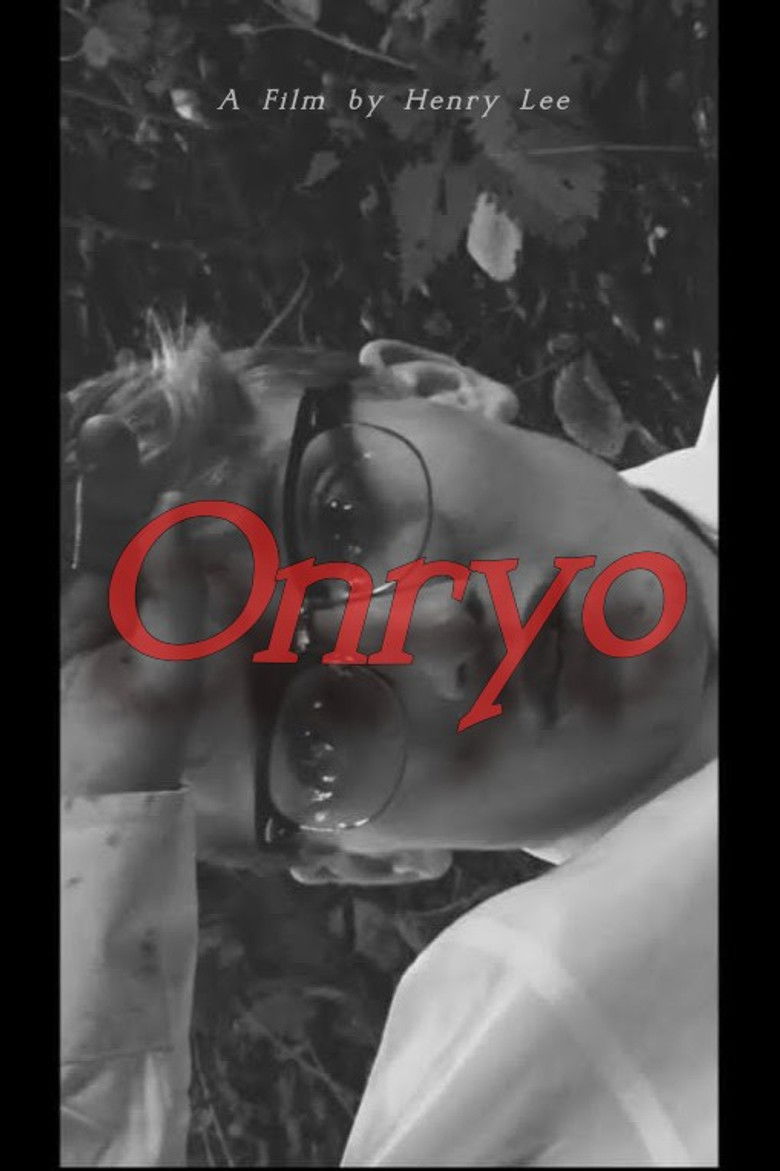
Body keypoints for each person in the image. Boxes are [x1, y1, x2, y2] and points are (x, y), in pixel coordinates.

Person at [61, 330, 717, 1165]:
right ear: (367, 860)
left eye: (344, 516)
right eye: (322, 724)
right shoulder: (531, 1070)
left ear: (440, 384)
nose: (438, 629)